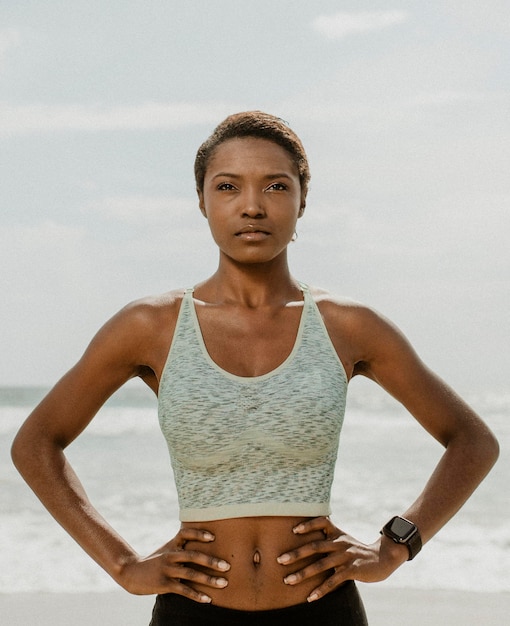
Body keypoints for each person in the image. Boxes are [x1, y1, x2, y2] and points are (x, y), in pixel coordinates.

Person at [12, 111, 499, 625]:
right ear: (201, 201)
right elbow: (36, 443)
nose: (251, 206)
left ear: (301, 200)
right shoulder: (151, 326)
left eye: (275, 186)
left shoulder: (348, 326)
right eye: (227, 187)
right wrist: (123, 564)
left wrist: (395, 545)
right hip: (191, 612)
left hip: (324, 611)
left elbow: (472, 441)